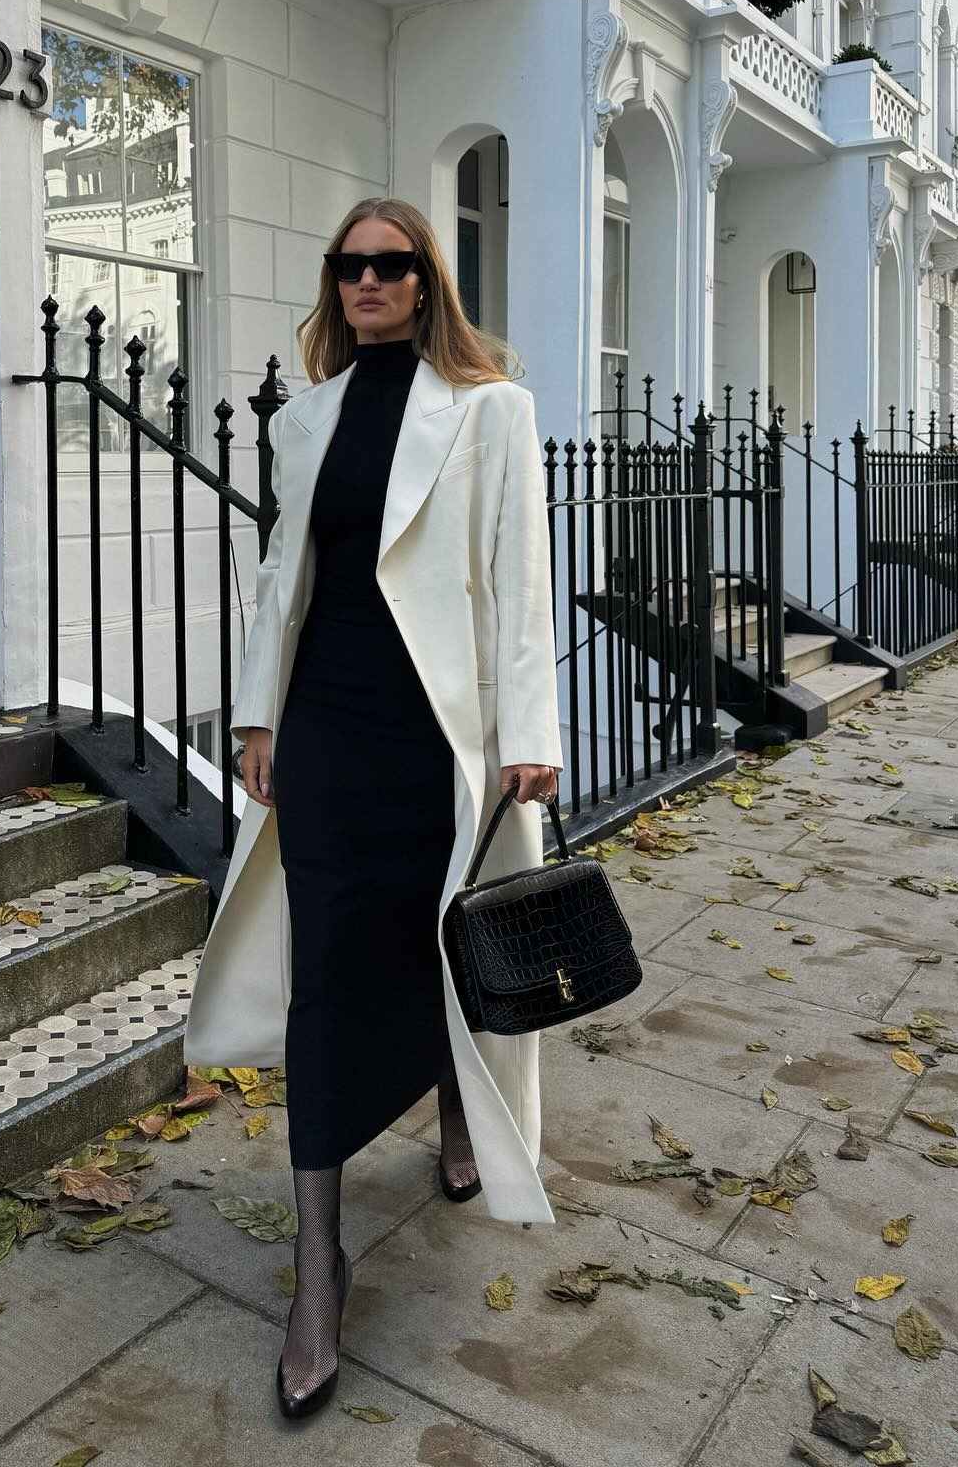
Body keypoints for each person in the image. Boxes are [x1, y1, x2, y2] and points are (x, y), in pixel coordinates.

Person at [183, 196, 563, 1420]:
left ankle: (457, 1102)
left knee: (436, 936)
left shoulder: (493, 408)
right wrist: (256, 715)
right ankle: (315, 1269)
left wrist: (531, 737)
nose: (368, 283)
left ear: (425, 279)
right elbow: (279, 578)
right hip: (332, 720)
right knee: (326, 967)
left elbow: (518, 580)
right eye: (349, 266)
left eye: (391, 266)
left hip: (439, 730)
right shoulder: (307, 419)